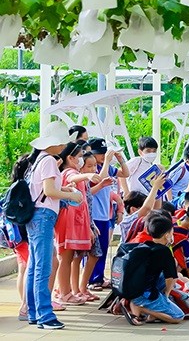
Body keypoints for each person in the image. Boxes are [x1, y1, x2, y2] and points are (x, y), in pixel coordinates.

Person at [25, 122, 84, 330]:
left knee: (34, 266)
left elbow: (45, 189)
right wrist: (72, 194)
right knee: (43, 267)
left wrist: (63, 189)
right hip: (43, 217)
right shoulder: (49, 160)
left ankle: (33, 312)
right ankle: (45, 315)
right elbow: (49, 192)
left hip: (34, 217)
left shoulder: (39, 159)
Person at [53, 143, 94, 307]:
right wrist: (86, 176)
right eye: (79, 157)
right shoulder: (70, 172)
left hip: (74, 221)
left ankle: (62, 290)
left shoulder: (76, 172)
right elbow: (70, 177)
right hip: (68, 222)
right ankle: (64, 293)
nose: (81, 160)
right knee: (65, 257)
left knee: (67, 258)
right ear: (70, 158)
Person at [127, 213, 185, 325]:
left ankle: (148, 313)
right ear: (167, 235)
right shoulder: (164, 251)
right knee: (178, 316)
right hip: (145, 294)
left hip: (134, 290)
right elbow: (171, 278)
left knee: (160, 276)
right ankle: (141, 308)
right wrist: (166, 295)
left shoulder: (144, 245)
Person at [88, 138, 129, 290]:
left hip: (105, 213)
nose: (102, 156)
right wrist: (106, 161)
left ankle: (98, 276)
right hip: (94, 214)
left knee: (103, 247)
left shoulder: (106, 166)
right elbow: (101, 178)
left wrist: (120, 159)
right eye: (99, 154)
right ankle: (92, 279)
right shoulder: (91, 169)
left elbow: (125, 173)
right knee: (94, 249)